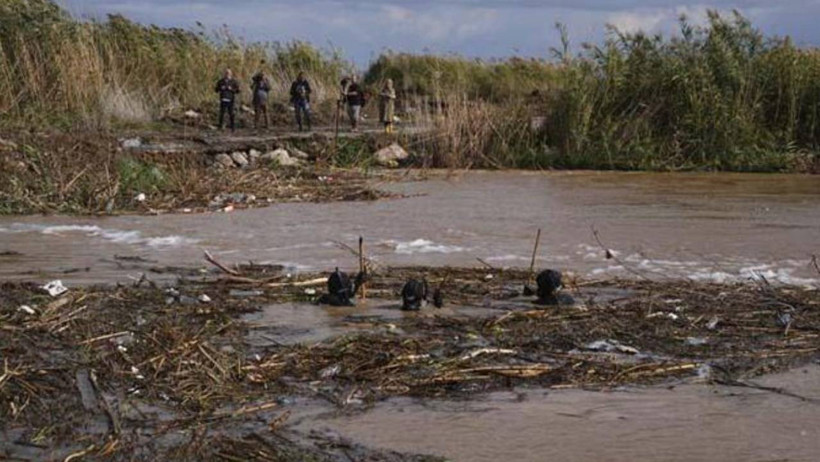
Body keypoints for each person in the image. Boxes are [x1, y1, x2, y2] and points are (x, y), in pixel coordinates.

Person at [251, 62, 271, 129]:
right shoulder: (256, 81)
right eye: (262, 75)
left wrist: (265, 81)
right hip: (257, 99)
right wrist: (258, 72)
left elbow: (269, 88)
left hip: (264, 99)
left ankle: (267, 125)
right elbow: (253, 79)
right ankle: (256, 125)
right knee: (257, 113)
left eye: (264, 75)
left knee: (266, 113)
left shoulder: (266, 81)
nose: (263, 76)